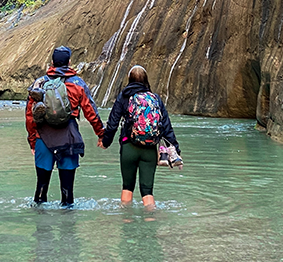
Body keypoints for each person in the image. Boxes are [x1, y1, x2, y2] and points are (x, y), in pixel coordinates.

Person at [27, 46, 105, 206]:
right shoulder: (78, 83)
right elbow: (91, 111)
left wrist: (32, 140)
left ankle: (41, 226)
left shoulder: (40, 84)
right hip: (69, 139)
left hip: (43, 138)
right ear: (69, 62)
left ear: (52, 62)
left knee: (41, 189)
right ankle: (68, 228)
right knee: (68, 192)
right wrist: (101, 134)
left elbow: (29, 115)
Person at [101, 65, 179, 209]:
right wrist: (175, 151)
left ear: (129, 79)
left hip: (128, 147)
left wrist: (106, 142)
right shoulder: (155, 99)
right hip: (149, 149)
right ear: (146, 80)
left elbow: (113, 123)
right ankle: (149, 226)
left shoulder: (124, 97)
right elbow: (166, 127)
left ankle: (127, 226)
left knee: (127, 188)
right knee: (148, 192)